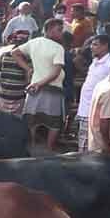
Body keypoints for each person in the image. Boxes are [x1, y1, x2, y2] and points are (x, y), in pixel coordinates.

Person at [12, 18, 67, 151]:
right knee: (54, 122)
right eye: (59, 30)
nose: (61, 33)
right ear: (49, 30)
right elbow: (55, 72)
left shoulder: (34, 42)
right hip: (52, 89)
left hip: (34, 88)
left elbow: (15, 53)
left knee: (31, 120)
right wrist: (39, 83)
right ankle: (49, 149)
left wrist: (28, 69)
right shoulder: (58, 48)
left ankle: (31, 147)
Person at [77, 35, 110, 151]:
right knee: (83, 144)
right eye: (91, 44)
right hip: (85, 108)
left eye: (95, 44)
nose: (91, 47)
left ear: (105, 46)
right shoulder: (94, 62)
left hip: (97, 112)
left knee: (92, 148)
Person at [88, 59, 110, 153]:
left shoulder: (102, 83)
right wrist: (108, 146)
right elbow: (104, 122)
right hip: (107, 147)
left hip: (97, 142)